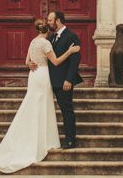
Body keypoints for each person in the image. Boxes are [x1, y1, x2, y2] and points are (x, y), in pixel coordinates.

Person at [0, 18, 81, 173]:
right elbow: (56, 62)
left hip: (34, 75)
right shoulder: (46, 43)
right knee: (42, 106)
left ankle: (35, 138)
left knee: (32, 104)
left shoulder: (33, 41)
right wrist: (70, 51)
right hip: (43, 75)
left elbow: (27, 61)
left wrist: (29, 65)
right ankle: (43, 140)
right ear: (47, 30)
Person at [43, 10, 83, 148]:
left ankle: (70, 140)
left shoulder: (71, 37)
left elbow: (75, 60)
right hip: (49, 81)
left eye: (49, 20)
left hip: (63, 82)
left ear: (57, 21)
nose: (47, 23)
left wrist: (69, 80)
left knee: (66, 110)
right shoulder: (51, 38)